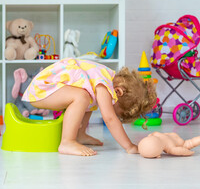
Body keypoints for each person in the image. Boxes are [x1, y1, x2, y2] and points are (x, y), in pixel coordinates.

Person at [22, 58, 157, 156]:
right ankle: (67, 141)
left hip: (46, 89)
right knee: (82, 96)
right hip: (42, 89)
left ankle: (80, 134)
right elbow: (109, 119)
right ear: (118, 92)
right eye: (118, 112)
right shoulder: (104, 84)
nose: (114, 113)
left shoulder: (105, 79)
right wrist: (129, 146)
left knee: (88, 96)